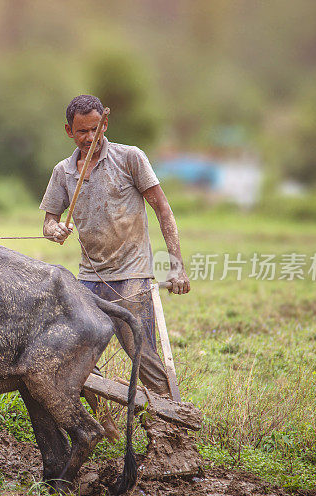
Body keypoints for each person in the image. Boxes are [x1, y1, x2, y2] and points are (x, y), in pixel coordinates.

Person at [40, 94, 190, 401]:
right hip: (89, 278)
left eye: (96, 129)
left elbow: (162, 208)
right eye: (82, 131)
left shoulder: (130, 157)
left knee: (141, 354)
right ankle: (101, 419)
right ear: (69, 131)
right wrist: (56, 230)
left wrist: (177, 265)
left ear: (105, 124)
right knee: (75, 354)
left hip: (131, 274)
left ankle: (170, 425)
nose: (90, 138)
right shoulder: (63, 172)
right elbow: (48, 224)